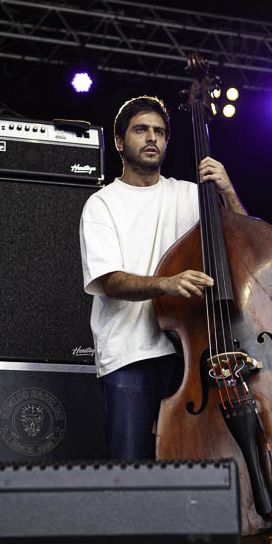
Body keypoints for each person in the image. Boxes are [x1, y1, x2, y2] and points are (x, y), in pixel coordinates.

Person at [79, 95, 247, 461]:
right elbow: (109, 281)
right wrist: (168, 284)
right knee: (132, 463)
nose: (152, 138)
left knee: (199, 461)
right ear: (121, 142)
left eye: (159, 132)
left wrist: (227, 191)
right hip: (129, 353)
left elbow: (247, 243)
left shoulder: (190, 195)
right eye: (141, 130)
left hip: (189, 352)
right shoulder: (102, 204)